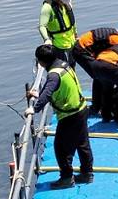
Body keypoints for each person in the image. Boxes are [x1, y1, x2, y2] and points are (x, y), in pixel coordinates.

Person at [25, 45, 93, 188]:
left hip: (70, 115)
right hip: (81, 109)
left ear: (41, 62)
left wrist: (34, 109)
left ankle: (67, 178)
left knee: (61, 148)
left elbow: (48, 92)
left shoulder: (53, 75)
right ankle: (87, 174)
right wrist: (38, 95)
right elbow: (54, 88)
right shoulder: (63, 65)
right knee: (82, 144)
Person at [72, 27, 118, 115]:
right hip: (81, 51)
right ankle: (98, 107)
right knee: (101, 77)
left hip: (83, 48)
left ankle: (98, 106)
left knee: (100, 76)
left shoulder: (114, 36)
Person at [39, 0, 77, 67]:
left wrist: (76, 35)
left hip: (71, 42)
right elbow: (42, 26)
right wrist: (46, 39)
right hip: (58, 45)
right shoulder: (47, 7)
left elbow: (71, 22)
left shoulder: (66, 4)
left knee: (72, 66)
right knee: (63, 68)